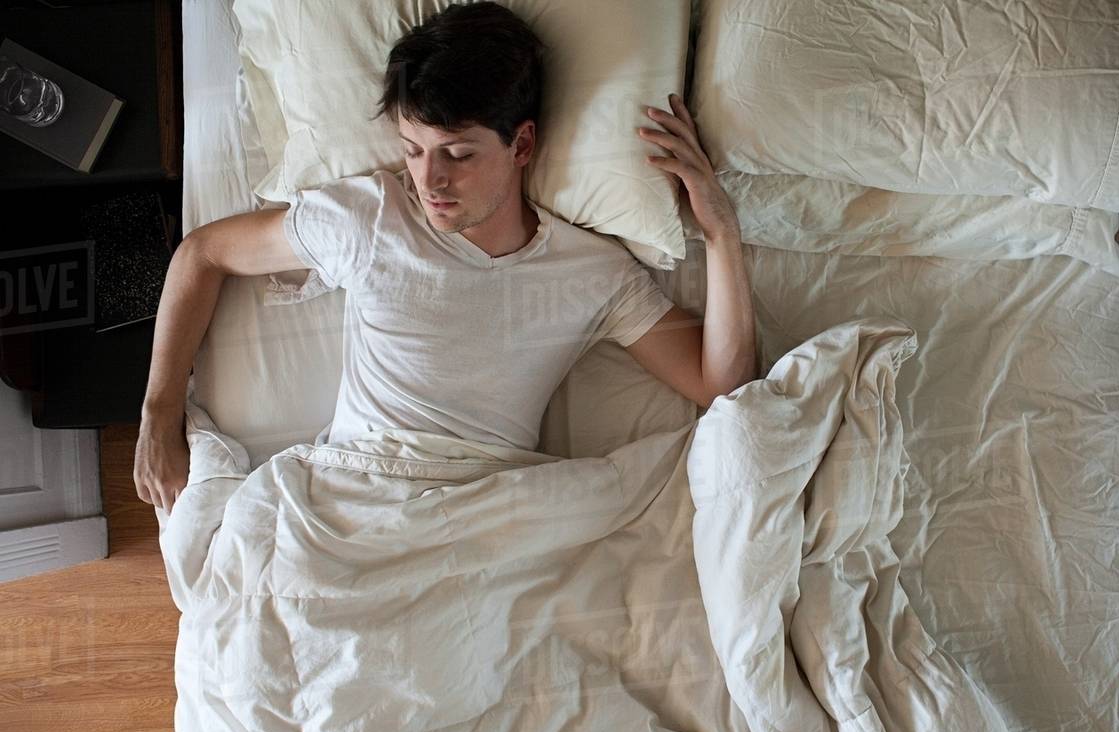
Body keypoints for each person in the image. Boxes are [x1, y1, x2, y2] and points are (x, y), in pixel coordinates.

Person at [133, 1, 756, 514]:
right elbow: (202, 253)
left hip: (488, 506)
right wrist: (159, 411)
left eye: (457, 154)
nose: (430, 181)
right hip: (358, 494)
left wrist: (721, 232)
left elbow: (720, 385)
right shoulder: (369, 217)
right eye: (412, 149)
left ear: (522, 144)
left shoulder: (592, 273)